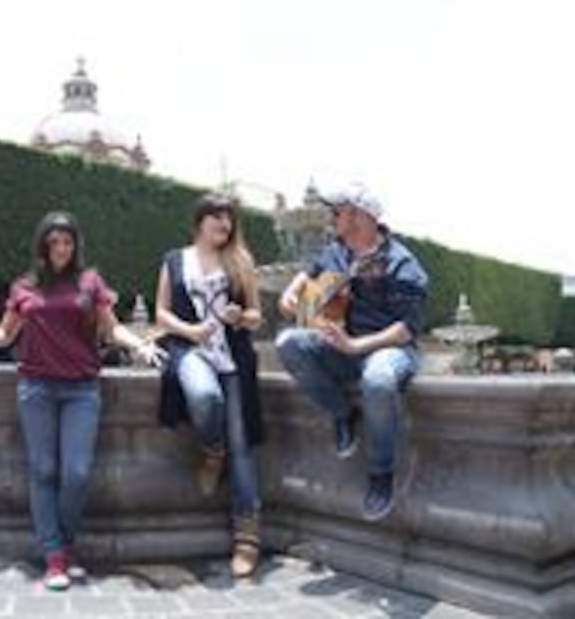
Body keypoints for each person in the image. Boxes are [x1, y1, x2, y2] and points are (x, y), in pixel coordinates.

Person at [0, 211, 164, 591]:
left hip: (81, 388)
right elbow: (6, 333)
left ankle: (63, 543)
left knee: (77, 472)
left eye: (67, 242)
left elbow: (111, 327)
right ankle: (55, 556)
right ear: (43, 246)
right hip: (36, 387)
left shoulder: (90, 282)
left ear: (75, 245)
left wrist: (138, 343)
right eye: (54, 243)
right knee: (43, 470)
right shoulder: (24, 286)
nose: (61, 249)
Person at [275, 182, 429, 521]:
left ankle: (380, 474)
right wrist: (292, 292)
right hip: (343, 344)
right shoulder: (337, 251)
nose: (332, 216)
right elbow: (310, 276)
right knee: (288, 343)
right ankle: (343, 413)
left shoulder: (401, 263)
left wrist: (357, 345)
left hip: (389, 348)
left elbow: (407, 328)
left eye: (338, 210)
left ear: (359, 215)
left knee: (377, 379)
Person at [154, 192, 264, 578]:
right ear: (199, 220)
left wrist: (240, 316)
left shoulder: (240, 261)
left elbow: (256, 317)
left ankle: (247, 538)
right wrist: (191, 331)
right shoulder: (173, 260)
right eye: (217, 216)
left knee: (243, 444)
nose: (225, 224)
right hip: (190, 350)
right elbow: (161, 313)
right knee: (203, 395)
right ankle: (212, 451)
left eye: (229, 218)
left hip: (233, 357)